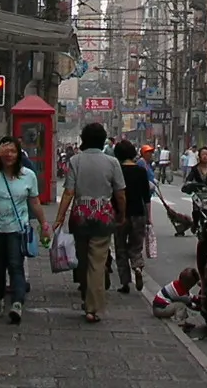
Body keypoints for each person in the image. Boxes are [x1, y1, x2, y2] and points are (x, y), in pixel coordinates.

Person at [53, 122, 127, 324]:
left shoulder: (75, 161)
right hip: (103, 216)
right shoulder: (112, 163)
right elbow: (120, 194)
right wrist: (121, 215)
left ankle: (86, 297)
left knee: (83, 260)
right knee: (98, 263)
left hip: (80, 216)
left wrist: (59, 218)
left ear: (84, 139)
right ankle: (93, 308)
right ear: (103, 140)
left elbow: (68, 192)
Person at [0, 135, 49, 324]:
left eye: (13, 151)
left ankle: (17, 303)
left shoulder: (28, 175)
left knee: (15, 264)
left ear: (19, 153)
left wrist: (44, 224)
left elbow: (35, 202)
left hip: (17, 229)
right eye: (6, 151)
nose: (9, 155)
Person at [114, 139, 153, 294]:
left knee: (120, 248)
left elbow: (114, 194)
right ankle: (137, 267)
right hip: (139, 214)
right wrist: (149, 217)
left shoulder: (117, 171)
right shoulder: (141, 171)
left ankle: (125, 283)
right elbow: (147, 197)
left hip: (120, 215)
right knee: (136, 246)